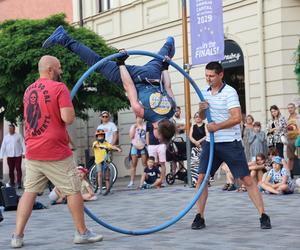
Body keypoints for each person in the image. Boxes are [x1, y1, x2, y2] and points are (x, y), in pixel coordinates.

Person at [11, 55, 103, 248]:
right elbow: (68, 118)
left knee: (29, 192)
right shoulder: (59, 88)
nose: (61, 71)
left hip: (33, 150)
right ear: (51, 69)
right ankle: (82, 232)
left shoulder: (29, 90)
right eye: (59, 68)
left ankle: (17, 236)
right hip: (55, 150)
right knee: (73, 189)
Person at [42, 25, 176, 143]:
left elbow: (168, 86)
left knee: (164, 54)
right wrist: (121, 64)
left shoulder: (172, 110)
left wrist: (165, 67)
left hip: (153, 75)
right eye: (158, 138)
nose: (155, 137)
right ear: (157, 130)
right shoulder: (142, 112)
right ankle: (63, 38)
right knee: (97, 62)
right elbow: (128, 85)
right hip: (134, 77)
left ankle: (169, 43)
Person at [191, 61, 271, 230]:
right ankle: (200, 216)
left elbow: (236, 118)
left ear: (221, 75)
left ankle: (263, 215)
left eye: (211, 76)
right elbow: (203, 116)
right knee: (201, 179)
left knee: (246, 179)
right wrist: (201, 109)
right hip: (212, 143)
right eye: (206, 76)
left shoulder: (230, 92)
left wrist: (217, 127)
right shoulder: (205, 92)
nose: (208, 79)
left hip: (230, 143)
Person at [93, 130, 121, 196]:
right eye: (99, 136)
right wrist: (101, 146)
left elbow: (111, 146)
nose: (101, 137)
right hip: (99, 160)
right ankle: (100, 190)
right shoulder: (96, 143)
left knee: (107, 175)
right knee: (99, 174)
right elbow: (95, 146)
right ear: (97, 137)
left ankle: (108, 189)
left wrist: (117, 149)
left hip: (106, 160)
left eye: (102, 136)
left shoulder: (106, 143)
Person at [0, 124, 25, 189]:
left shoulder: (19, 136)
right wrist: (1, 156)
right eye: (9, 129)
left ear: (14, 129)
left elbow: (23, 144)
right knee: (11, 170)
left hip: (18, 155)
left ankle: (19, 183)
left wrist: (24, 152)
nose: (10, 130)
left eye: (11, 129)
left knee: (18, 169)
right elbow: (3, 147)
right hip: (10, 156)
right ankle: (12, 182)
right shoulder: (6, 137)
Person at [128, 117, 147, 188]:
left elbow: (146, 136)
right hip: (134, 146)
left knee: (144, 164)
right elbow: (131, 136)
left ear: (142, 119)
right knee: (133, 164)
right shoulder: (133, 126)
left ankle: (144, 180)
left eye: (141, 118)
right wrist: (134, 128)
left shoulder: (145, 126)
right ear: (135, 119)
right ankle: (132, 181)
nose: (139, 119)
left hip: (143, 146)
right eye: (138, 118)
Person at [146, 122, 167, 186]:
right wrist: (147, 144)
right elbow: (147, 133)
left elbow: (165, 132)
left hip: (161, 144)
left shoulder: (161, 120)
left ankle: (162, 180)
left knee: (162, 163)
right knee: (153, 163)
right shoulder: (148, 122)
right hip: (151, 145)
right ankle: (154, 180)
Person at [189, 111, 206, 186]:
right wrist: (195, 142)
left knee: (204, 164)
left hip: (203, 146)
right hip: (194, 148)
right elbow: (190, 136)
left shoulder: (205, 125)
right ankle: (195, 181)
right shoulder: (193, 126)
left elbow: (207, 135)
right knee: (194, 165)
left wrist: (199, 141)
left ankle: (205, 181)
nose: (198, 118)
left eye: (199, 116)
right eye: (196, 116)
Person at [286, 103, 300, 173]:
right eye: (288, 108)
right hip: (290, 140)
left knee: (299, 157)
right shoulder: (287, 118)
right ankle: (290, 175)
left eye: (291, 107)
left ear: (295, 108)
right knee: (290, 157)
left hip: (298, 139)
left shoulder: (298, 117)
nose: (290, 109)